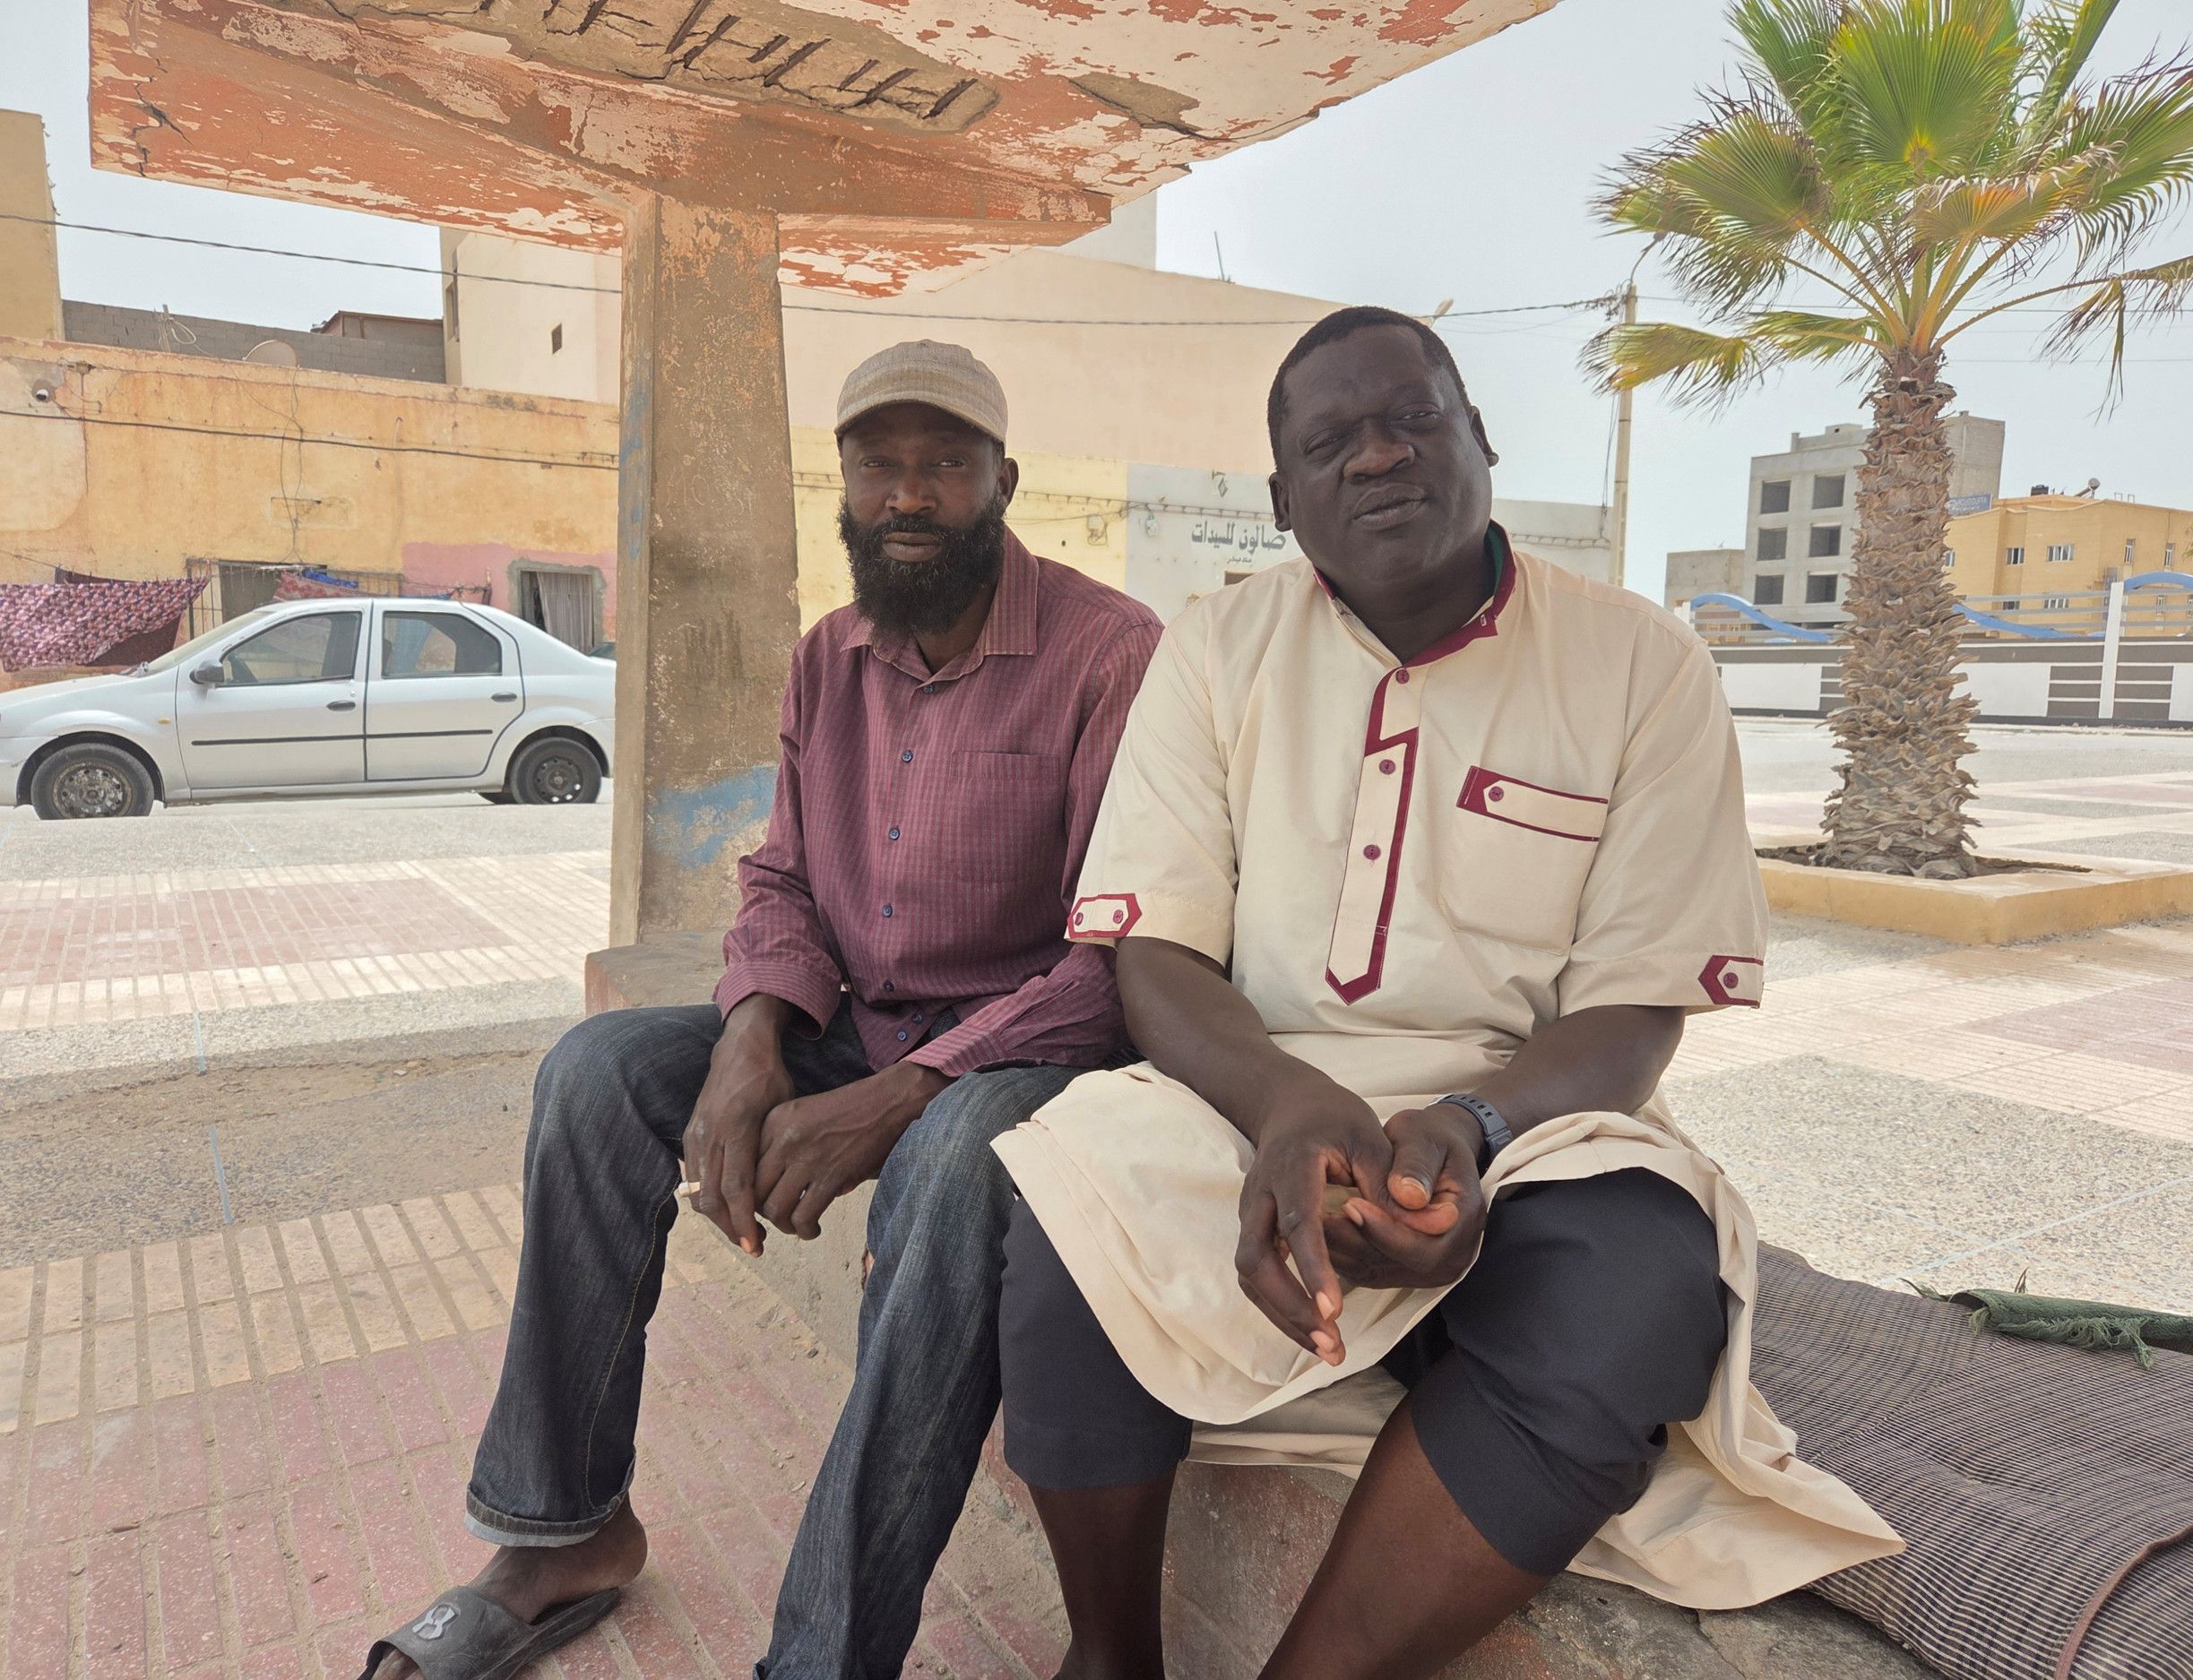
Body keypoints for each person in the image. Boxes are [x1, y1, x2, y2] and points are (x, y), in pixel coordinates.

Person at [988, 306, 1899, 1679]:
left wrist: (1472, 1128)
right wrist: (1289, 1107)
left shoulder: (1641, 665)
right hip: (1254, 1093)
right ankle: (1110, 1658)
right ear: (1282, 496)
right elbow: (1156, 949)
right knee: (1070, 1194)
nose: (1377, 456)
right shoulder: (1215, 647)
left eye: (1412, 419)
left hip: (1528, 1126)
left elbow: (1637, 1003)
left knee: (1645, 1281)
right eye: (1330, 443)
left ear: (1479, 439)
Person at [362, 341, 1162, 1680]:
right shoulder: (826, 659)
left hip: (1028, 1051)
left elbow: (1118, 960)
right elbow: (784, 876)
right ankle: (564, 1532)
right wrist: (752, 1033)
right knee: (597, 1074)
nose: (909, 495)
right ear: (842, 484)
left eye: (946, 464)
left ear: (1005, 483)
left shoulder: (1110, 655)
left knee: (952, 1163)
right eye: (878, 465)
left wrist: (907, 1094)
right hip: (858, 1025)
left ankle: (822, 1660)